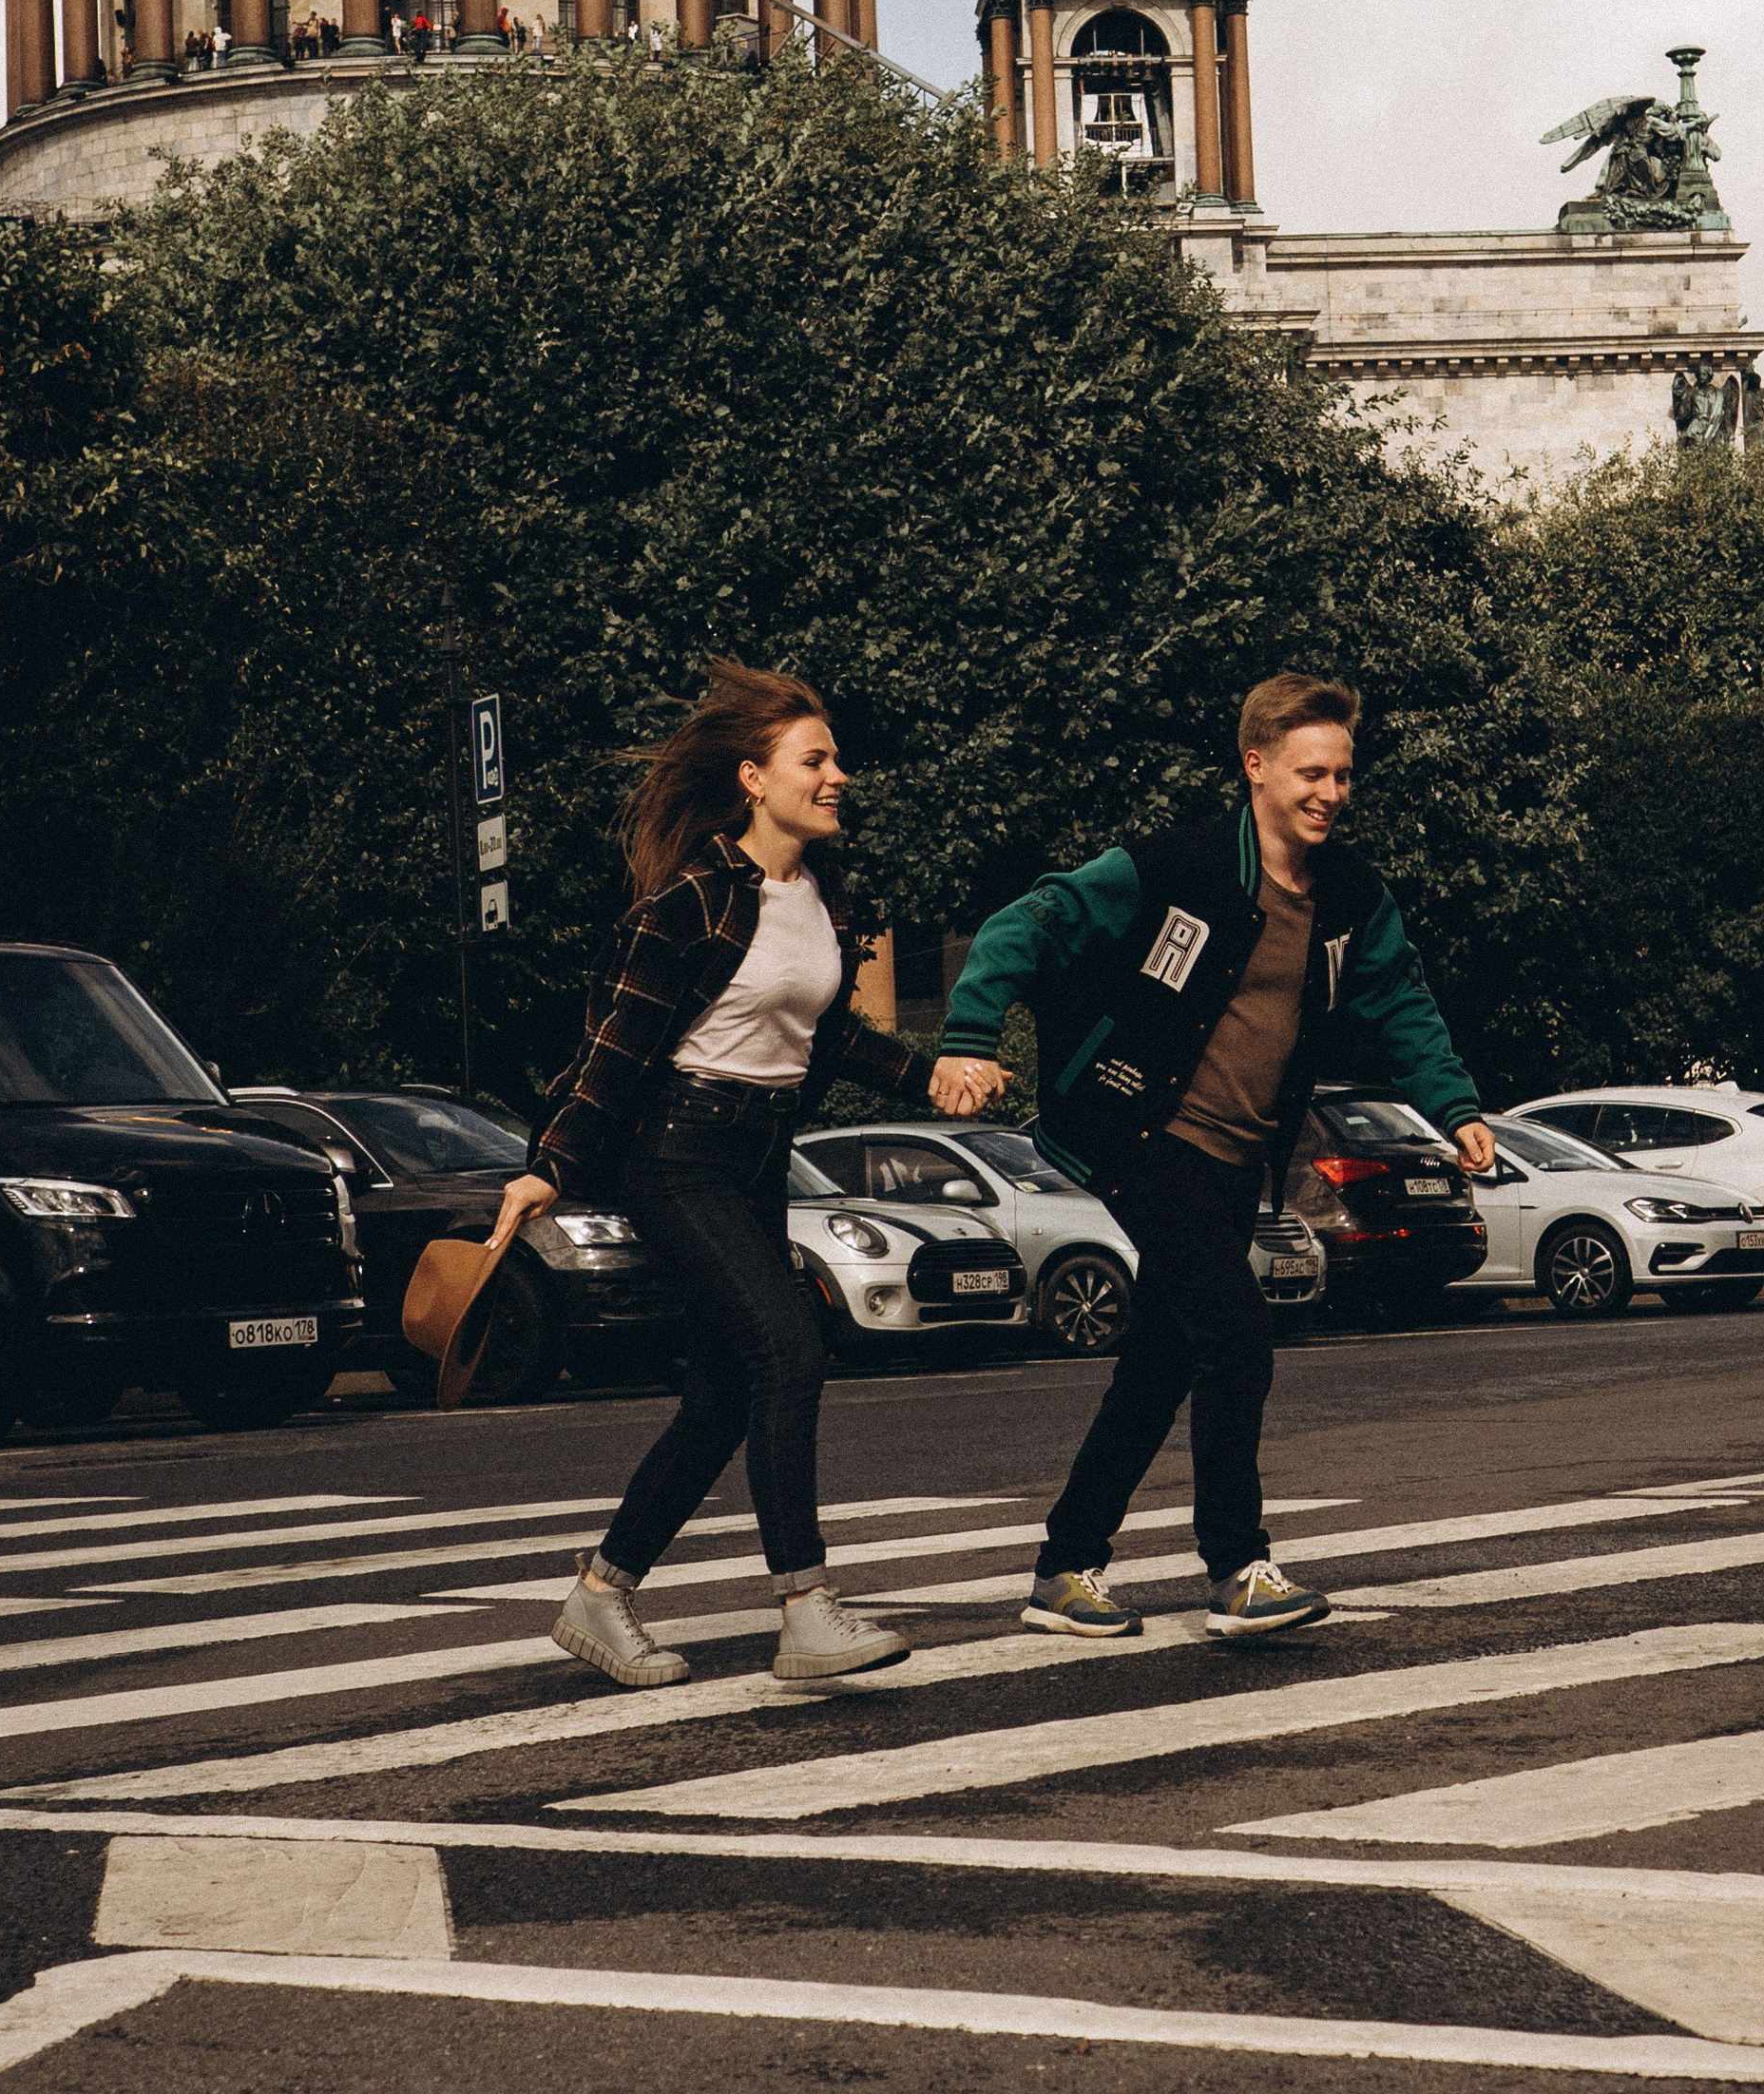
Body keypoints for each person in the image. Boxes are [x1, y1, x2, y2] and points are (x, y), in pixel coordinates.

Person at [930, 674, 1494, 1641]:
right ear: (1257, 767)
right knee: (1235, 1332)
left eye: (1344, 775)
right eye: (1311, 772)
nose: (1330, 792)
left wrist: (1455, 1107)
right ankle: (1236, 1566)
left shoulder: (1352, 896)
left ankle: (1064, 1568)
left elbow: (1401, 1001)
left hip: (1238, 1159)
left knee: (1160, 1359)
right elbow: (1028, 921)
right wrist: (968, 1035)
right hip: (1141, 1137)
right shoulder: (1176, 866)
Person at [489, 663, 928, 1691]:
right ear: (752, 778)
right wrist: (550, 1166)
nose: (837, 777)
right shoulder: (689, 903)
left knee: (728, 1392)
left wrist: (930, 1069)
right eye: (813, 761)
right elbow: (616, 1048)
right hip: (679, 1154)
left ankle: (601, 1595)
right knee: (790, 1346)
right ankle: (805, 1608)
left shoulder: (817, 896)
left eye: (834, 759)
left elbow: (826, 1040)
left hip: (758, 1155)